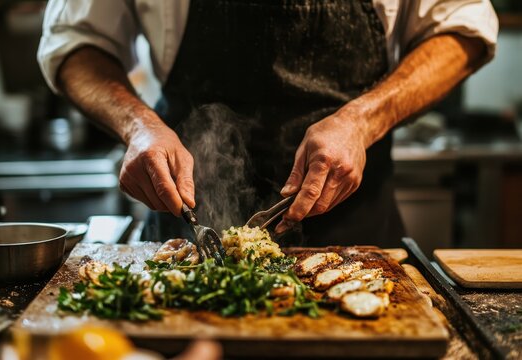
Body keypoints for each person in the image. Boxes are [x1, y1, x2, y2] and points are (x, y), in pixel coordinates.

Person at [38, 0, 498, 247]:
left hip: (357, 228)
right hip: (188, 229)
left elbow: (462, 28)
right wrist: (138, 125)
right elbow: (75, 39)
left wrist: (361, 121)